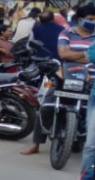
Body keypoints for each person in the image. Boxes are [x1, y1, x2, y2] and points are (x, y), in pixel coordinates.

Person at [53, 5, 95, 180]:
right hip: (74, 80)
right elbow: (64, 54)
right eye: (91, 18)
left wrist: (76, 54)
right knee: (91, 146)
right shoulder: (67, 33)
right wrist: (84, 55)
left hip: (89, 86)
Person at [20, 12, 76, 155]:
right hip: (56, 71)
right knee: (46, 103)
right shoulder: (65, 32)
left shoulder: (40, 29)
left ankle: (36, 144)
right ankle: (36, 142)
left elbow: (29, 46)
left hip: (69, 73)